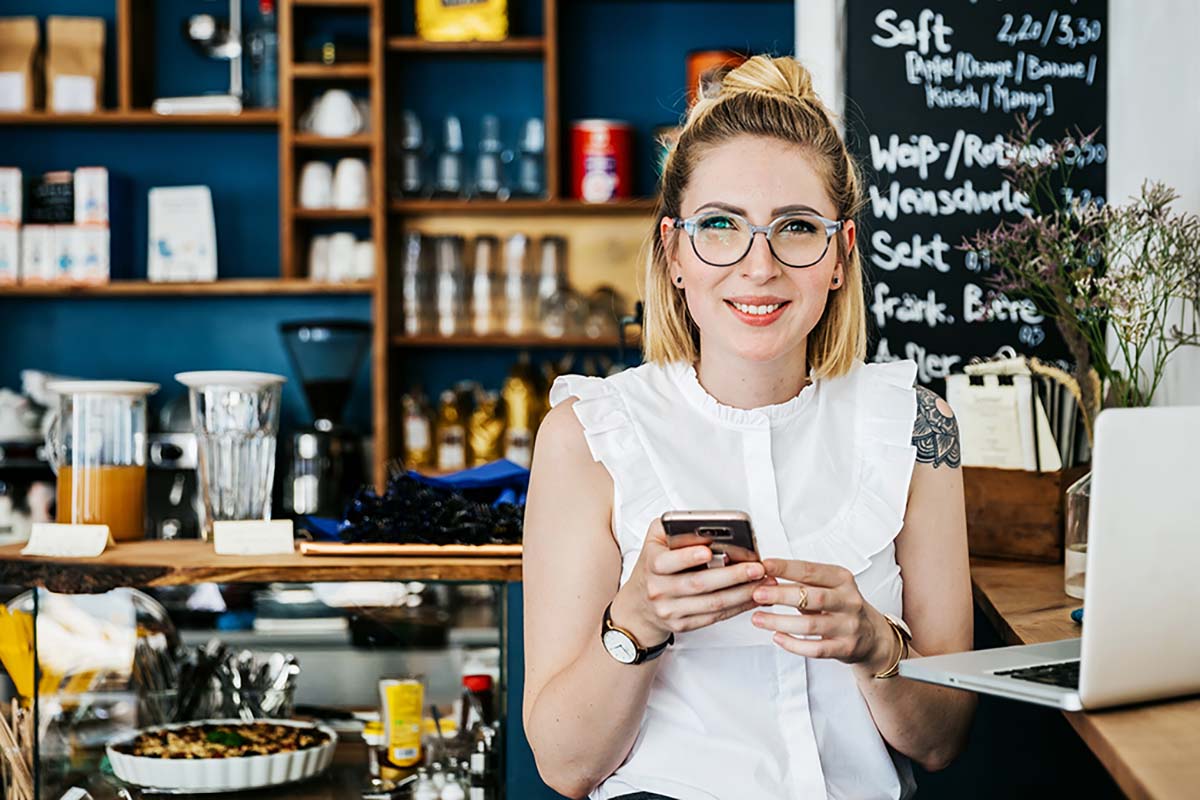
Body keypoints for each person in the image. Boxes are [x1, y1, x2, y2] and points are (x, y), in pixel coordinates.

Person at [522, 55, 976, 800]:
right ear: (674, 253)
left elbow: (942, 740)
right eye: (720, 226)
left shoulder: (919, 427)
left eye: (796, 228)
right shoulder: (587, 434)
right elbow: (567, 767)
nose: (758, 266)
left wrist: (874, 647)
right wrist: (634, 622)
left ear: (839, 257)